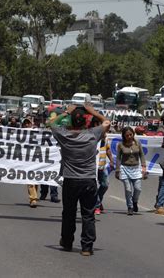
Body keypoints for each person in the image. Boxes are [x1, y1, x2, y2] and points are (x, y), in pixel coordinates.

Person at [50, 103, 110, 256]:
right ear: (86, 121)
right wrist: (93, 111)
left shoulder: (64, 135)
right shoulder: (93, 134)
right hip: (88, 180)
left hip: (70, 180)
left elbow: (51, 124)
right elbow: (107, 122)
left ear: (71, 121)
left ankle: (67, 241)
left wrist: (65, 113)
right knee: (88, 214)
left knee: (69, 213)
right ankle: (87, 247)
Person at [115, 127, 147, 215]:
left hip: (136, 168)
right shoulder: (120, 145)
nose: (129, 136)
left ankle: (135, 201)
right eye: (127, 135)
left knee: (138, 188)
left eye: (130, 134)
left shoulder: (137, 143)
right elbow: (118, 158)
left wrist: (144, 167)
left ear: (133, 134)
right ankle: (130, 207)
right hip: (124, 168)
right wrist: (117, 170)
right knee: (128, 189)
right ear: (124, 136)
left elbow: (142, 155)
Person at [95, 132, 114, 215]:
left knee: (105, 185)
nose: (105, 135)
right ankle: (97, 206)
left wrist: (111, 161)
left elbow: (108, 150)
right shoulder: (92, 140)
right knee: (94, 187)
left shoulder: (105, 140)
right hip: (93, 168)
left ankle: (98, 200)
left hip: (102, 167)